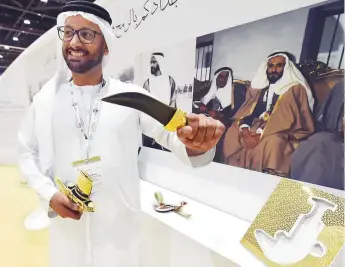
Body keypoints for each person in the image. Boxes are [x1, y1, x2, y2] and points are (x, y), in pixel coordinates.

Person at [17, 2, 225, 267]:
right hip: (68, 237)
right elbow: (27, 152)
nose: (74, 42)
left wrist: (198, 144)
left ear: (106, 46)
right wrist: (48, 194)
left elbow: (174, 138)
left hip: (119, 236)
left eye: (86, 34)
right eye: (68, 32)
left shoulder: (133, 97)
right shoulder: (45, 101)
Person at [222, 52, 315, 175]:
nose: (274, 69)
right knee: (233, 131)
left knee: (272, 142)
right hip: (262, 123)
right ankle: (233, 173)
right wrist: (245, 129)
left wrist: (260, 134)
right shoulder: (265, 88)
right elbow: (253, 110)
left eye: (279, 65)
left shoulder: (294, 88)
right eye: (271, 66)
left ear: (286, 67)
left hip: (286, 128)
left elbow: (287, 117)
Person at [291, 80, 344, 190]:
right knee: (317, 143)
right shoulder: (341, 87)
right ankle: (303, 196)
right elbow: (323, 120)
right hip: (335, 137)